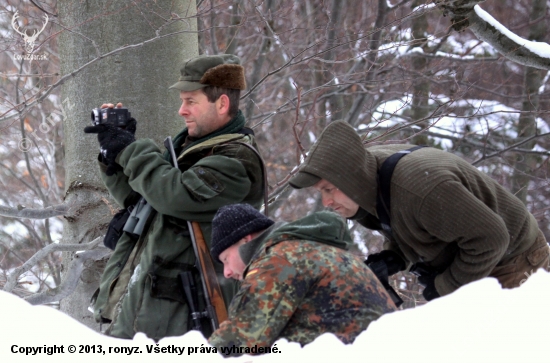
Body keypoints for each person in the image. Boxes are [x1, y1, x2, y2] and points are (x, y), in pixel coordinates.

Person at [84, 54, 266, 340]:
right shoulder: (191, 149)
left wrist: (128, 150)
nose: (182, 110)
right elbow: (143, 200)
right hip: (144, 311)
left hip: (182, 325)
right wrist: (114, 156)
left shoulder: (236, 161)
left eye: (191, 101)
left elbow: (174, 196)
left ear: (222, 103)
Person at [289, 120, 550, 301]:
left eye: (329, 189)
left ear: (350, 179)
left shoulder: (421, 189)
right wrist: (394, 257)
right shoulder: (372, 177)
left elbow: (492, 239)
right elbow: (410, 220)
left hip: (514, 261)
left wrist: (444, 287)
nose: (326, 202)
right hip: (481, 260)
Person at [207, 203, 397, 355]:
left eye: (226, 260)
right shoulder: (308, 249)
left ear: (246, 240)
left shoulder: (279, 260)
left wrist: (186, 353)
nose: (227, 273)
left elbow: (241, 338)